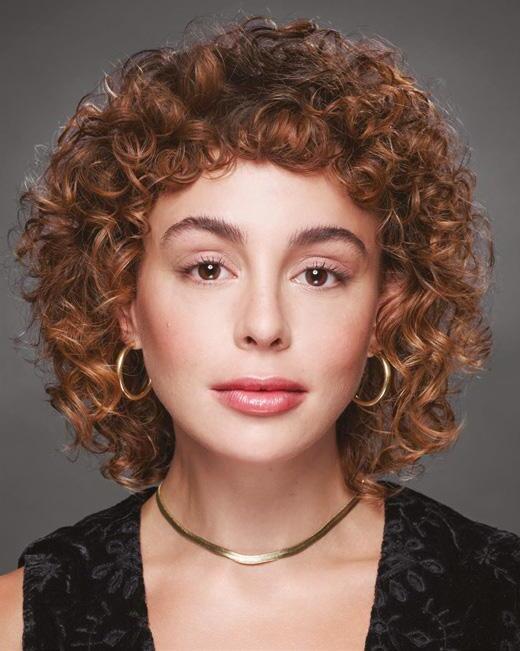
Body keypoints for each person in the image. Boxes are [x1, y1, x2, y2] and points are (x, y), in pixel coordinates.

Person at [1, 12, 519, 651]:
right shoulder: (15, 623)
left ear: (384, 314)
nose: (264, 326)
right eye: (208, 268)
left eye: (319, 274)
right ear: (123, 304)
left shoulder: (501, 601)